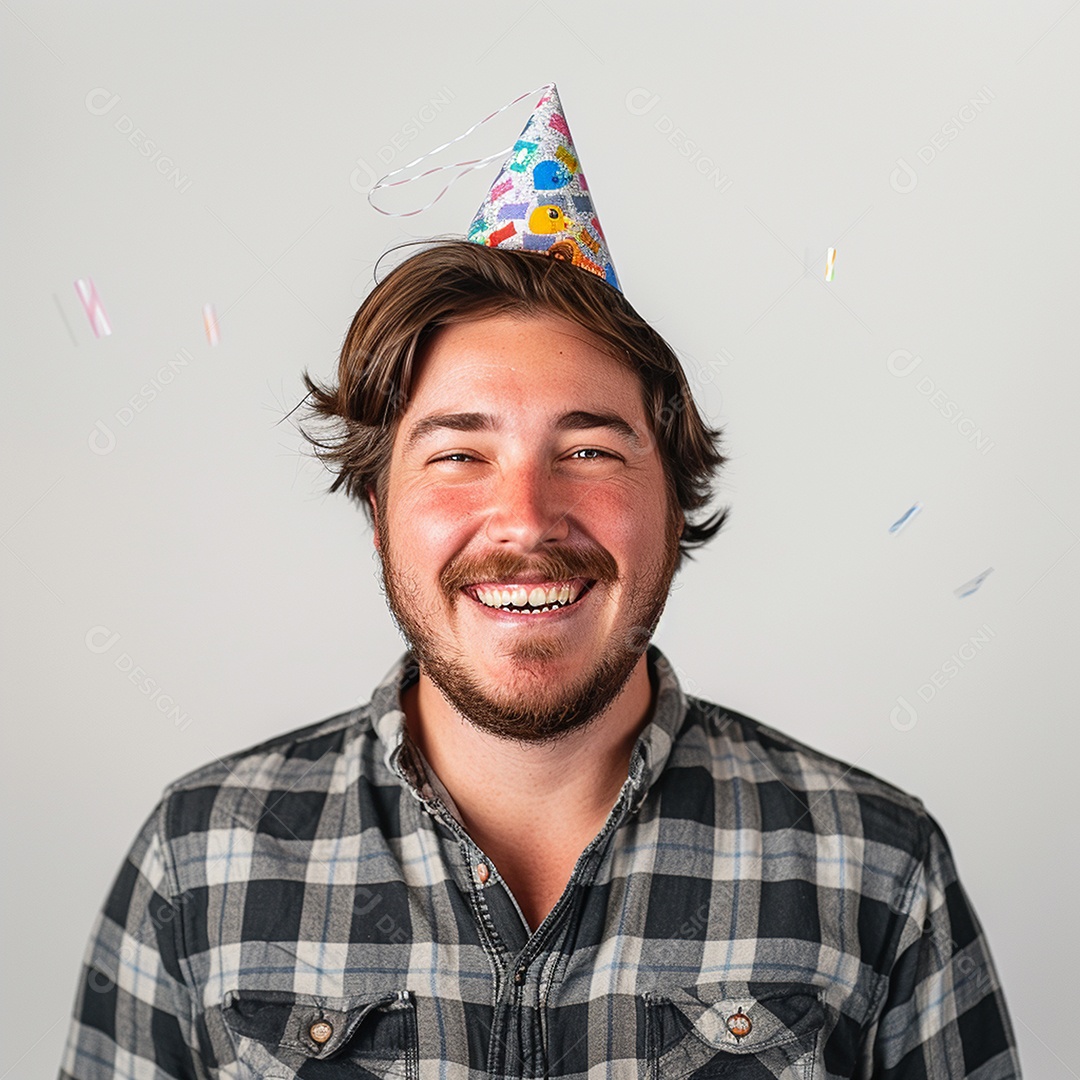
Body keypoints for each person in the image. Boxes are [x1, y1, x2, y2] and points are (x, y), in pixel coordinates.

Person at [59, 86, 1020, 1079]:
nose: (524, 517)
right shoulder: (200, 858)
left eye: (593, 451)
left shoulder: (877, 867)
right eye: (459, 455)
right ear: (379, 503)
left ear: (673, 499)